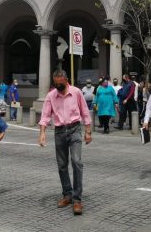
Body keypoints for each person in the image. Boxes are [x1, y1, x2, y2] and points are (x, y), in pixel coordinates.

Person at [38, 69, 91, 216]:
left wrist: (88, 131)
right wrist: (42, 133)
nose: (58, 87)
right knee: (62, 165)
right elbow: (45, 115)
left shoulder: (76, 92)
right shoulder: (51, 95)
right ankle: (67, 194)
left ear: (66, 81)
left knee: (77, 162)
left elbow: (85, 111)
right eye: (56, 84)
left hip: (75, 129)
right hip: (59, 131)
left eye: (60, 84)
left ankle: (77, 199)